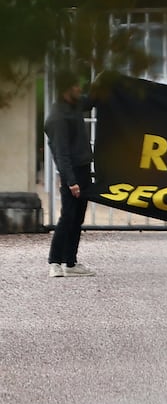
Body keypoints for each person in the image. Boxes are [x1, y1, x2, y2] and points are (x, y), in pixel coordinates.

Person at [45, 69, 96, 278]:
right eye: (75, 86)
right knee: (68, 217)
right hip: (72, 172)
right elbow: (61, 153)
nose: (79, 89)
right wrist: (71, 181)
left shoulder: (74, 106)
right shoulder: (58, 117)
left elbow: (91, 101)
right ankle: (54, 262)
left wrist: (104, 79)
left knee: (77, 218)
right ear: (66, 89)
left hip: (82, 169)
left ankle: (70, 262)